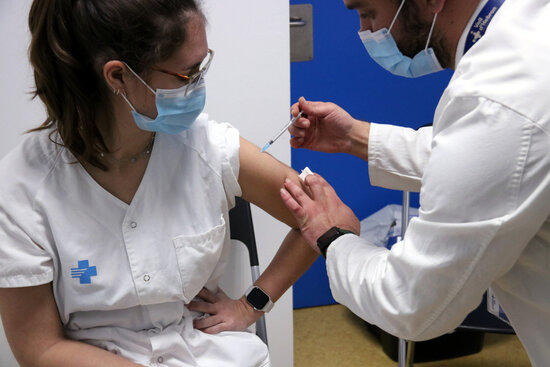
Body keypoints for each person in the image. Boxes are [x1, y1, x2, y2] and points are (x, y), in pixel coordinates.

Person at [0, 1, 317, 366]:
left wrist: (251, 304)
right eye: (189, 73)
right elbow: (39, 348)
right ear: (118, 77)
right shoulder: (22, 187)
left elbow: (329, 220)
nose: (199, 84)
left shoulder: (208, 148)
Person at [279, 0, 550, 366]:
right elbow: (484, 162)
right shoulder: (528, 34)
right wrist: (354, 138)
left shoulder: (499, 97)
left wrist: (333, 237)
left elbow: (411, 303)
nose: (366, 31)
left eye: (368, 13)